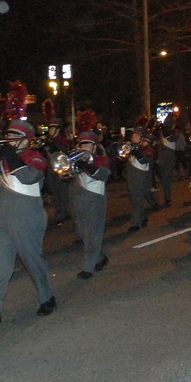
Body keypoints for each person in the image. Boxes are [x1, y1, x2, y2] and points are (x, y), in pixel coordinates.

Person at [0, 119, 55, 326]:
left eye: (17, 136)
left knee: (32, 260)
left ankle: (46, 297)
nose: (11, 139)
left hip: (26, 214)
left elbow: (28, 177)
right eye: (9, 135)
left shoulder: (35, 157)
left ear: (27, 140)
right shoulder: (1, 160)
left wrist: (8, 154)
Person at [69, 111, 111, 279]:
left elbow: (102, 174)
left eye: (87, 145)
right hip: (77, 198)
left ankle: (88, 267)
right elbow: (65, 177)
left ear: (94, 147)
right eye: (81, 145)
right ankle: (100, 257)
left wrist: (82, 163)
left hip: (95, 199)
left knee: (93, 232)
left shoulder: (101, 158)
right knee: (85, 233)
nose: (83, 148)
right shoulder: (76, 159)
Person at [124, 120, 158, 231]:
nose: (133, 137)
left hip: (142, 177)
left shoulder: (147, 148)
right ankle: (143, 217)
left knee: (138, 199)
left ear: (142, 138)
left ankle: (135, 224)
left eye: (136, 135)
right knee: (135, 199)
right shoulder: (129, 146)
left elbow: (144, 160)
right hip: (131, 176)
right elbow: (121, 158)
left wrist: (136, 150)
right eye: (133, 135)